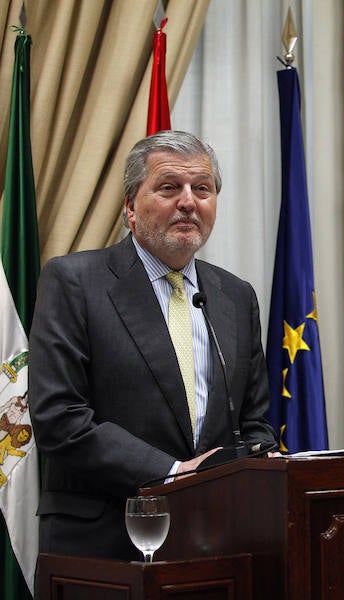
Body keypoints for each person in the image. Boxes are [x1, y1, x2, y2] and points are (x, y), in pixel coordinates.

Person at [29, 130, 277, 561]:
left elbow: (254, 421)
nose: (188, 201)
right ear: (130, 207)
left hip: (215, 540)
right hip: (105, 538)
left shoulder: (236, 296)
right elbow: (59, 417)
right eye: (168, 188)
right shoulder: (75, 282)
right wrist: (174, 473)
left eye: (202, 189)